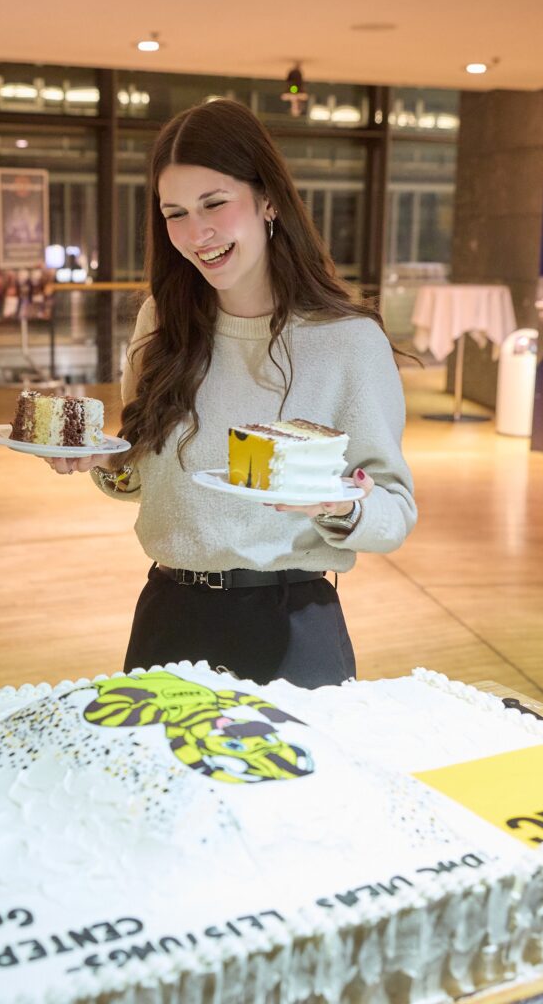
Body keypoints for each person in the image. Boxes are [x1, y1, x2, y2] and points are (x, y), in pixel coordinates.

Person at [45, 98, 417, 688]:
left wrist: (339, 506)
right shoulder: (161, 323)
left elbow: (393, 510)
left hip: (291, 623)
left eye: (214, 203)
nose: (197, 234)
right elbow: (142, 476)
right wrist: (103, 462)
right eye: (175, 213)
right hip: (168, 614)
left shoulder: (347, 341)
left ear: (269, 200)